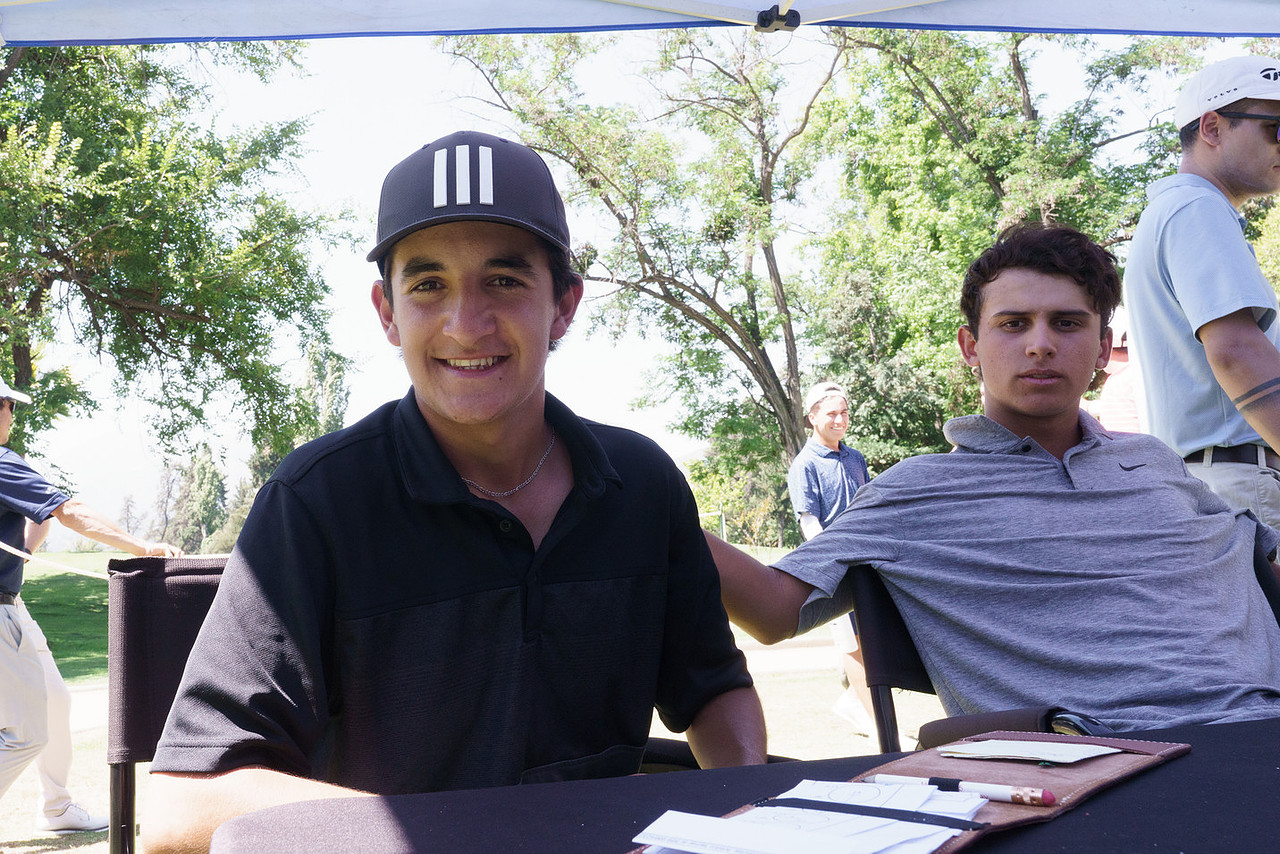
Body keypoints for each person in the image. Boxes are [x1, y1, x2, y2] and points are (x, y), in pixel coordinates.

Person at [145, 131, 766, 853]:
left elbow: (712, 689)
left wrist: (747, 807)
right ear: (387, 311)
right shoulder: (315, 503)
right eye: (428, 284)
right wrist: (446, 837)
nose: (466, 325)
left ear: (564, 305)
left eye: (504, 280)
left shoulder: (644, 485)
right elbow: (184, 802)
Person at [708, 222, 1280, 734]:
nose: (1040, 344)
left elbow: (1262, 560)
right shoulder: (917, 492)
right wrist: (665, 504)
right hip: (1091, 759)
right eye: (1013, 324)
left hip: (1260, 727)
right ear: (971, 347)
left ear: (1103, 348)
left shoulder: (1155, 463)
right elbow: (773, 609)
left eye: (1066, 323)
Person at [0, 378, 182, 834]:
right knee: (25, 735)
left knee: (56, 702)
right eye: (8, 405)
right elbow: (70, 511)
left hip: (13, 605)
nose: (12, 416)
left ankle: (57, 808)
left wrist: (31, 537)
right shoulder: (1, 461)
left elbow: (41, 520)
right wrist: (142, 547)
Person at [1126, 55, 1280, 528]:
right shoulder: (1196, 208)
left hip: (1221, 479)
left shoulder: (1177, 211)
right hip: (1242, 480)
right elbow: (1236, 352)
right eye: (1276, 128)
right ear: (1212, 127)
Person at [786, 381, 875, 734]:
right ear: (812, 417)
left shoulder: (855, 458)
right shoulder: (804, 464)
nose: (840, 420)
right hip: (835, 569)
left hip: (867, 563)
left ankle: (853, 700)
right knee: (851, 645)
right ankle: (879, 725)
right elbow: (809, 521)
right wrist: (834, 562)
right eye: (832, 414)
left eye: (844, 413)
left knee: (872, 640)